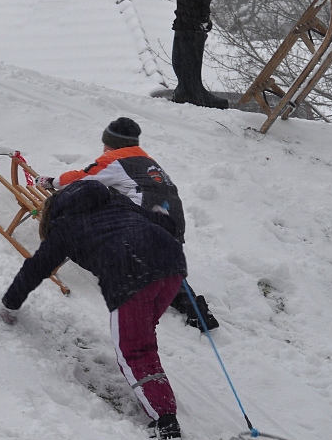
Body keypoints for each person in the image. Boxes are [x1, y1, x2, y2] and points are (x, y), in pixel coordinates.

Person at [0, 180, 189, 440]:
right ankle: (161, 402)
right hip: (172, 265)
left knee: (133, 349)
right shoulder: (117, 202)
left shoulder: (64, 225)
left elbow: (37, 268)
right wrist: (161, 215)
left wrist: (9, 303)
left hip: (131, 270)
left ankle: (165, 422)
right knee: (141, 338)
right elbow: (167, 225)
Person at [34, 117, 219, 329]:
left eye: (105, 142)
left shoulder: (115, 160)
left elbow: (83, 179)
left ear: (111, 143)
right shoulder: (147, 162)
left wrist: (51, 182)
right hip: (173, 218)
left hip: (145, 216)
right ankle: (195, 310)